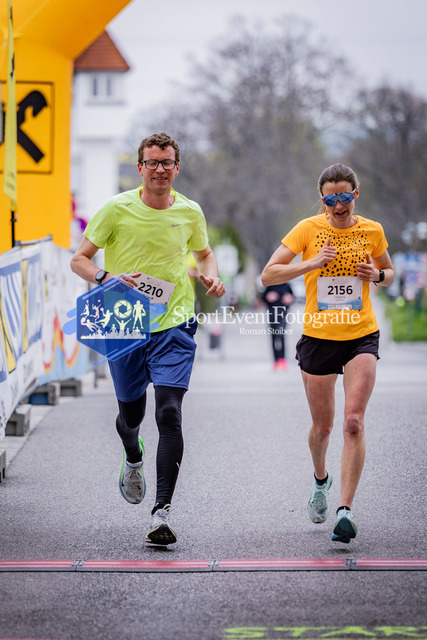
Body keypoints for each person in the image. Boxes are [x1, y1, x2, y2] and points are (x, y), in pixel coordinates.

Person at [70, 132, 226, 545]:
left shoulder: (190, 211)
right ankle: (133, 454)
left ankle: (161, 512)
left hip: (175, 321)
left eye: (167, 162)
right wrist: (106, 277)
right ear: (140, 168)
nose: (160, 169)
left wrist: (211, 275)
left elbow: (204, 252)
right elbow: (79, 260)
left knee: (169, 412)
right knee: (130, 416)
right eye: (152, 162)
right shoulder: (116, 209)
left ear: (177, 167)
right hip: (125, 320)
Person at [261, 163, 394, 543]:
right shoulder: (307, 229)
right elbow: (268, 274)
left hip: (360, 335)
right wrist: (312, 262)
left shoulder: (372, 230)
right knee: (323, 428)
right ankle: (321, 479)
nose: (338, 205)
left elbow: (389, 272)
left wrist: (377, 276)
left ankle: (344, 510)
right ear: (322, 199)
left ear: (356, 194)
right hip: (318, 337)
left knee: (353, 422)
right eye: (331, 198)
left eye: (345, 196)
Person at [261, 283, 294, 370]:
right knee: (273, 337)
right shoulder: (270, 285)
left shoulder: (287, 285)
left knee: (281, 335)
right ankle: (276, 361)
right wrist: (268, 297)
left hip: (283, 315)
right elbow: (263, 298)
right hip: (272, 315)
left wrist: (289, 299)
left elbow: (292, 298)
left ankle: (282, 359)